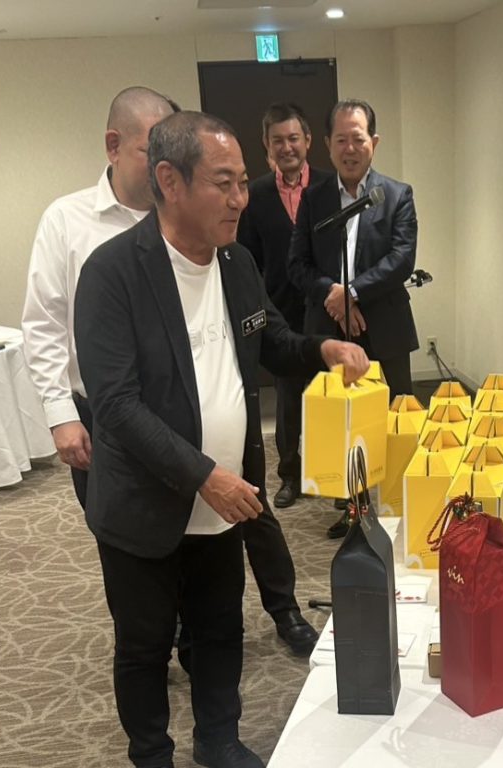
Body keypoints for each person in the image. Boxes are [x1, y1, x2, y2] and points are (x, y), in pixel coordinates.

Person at [73, 111, 369, 768]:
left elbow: (269, 341)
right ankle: (151, 754)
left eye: (242, 182)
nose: (240, 198)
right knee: (145, 645)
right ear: (170, 181)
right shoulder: (113, 273)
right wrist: (204, 475)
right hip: (147, 505)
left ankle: (219, 739)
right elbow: (116, 406)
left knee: (219, 628)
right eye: (224, 183)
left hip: (224, 497)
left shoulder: (236, 263)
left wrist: (321, 348)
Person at [22, 86, 178, 509]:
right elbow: (44, 322)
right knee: (118, 532)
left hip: (179, 409)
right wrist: (61, 415)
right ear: (114, 146)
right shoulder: (66, 220)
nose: (165, 168)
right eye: (151, 152)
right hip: (103, 417)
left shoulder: (181, 218)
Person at [287, 98, 419, 397]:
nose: (350, 149)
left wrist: (352, 293)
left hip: (386, 329)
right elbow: (297, 264)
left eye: (358, 139)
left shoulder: (397, 195)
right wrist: (333, 296)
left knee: (393, 414)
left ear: (374, 142)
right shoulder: (313, 198)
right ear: (327, 144)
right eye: (341, 140)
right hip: (326, 329)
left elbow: (402, 259)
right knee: (331, 414)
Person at [237, 103, 333, 510]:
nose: (287, 147)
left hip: (327, 311)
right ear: (266, 145)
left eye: (294, 138)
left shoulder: (330, 188)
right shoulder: (254, 195)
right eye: (278, 140)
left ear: (308, 141)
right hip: (280, 315)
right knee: (289, 399)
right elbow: (248, 258)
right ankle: (291, 476)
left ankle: (331, 474)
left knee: (331, 399)